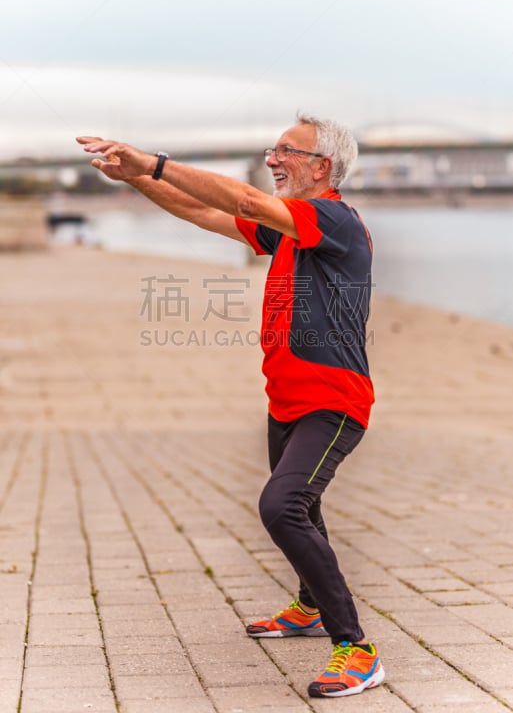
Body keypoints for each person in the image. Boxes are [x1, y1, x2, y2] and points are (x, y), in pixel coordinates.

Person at [77, 114, 384, 699]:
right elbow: (208, 212)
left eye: (287, 151)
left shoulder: (333, 220)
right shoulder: (291, 229)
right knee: (304, 506)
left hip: (334, 402)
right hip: (287, 401)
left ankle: (357, 648)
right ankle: (308, 607)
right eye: (272, 149)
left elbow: (241, 196)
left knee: (282, 505)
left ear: (323, 167)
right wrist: (137, 179)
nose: (272, 159)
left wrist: (154, 161)